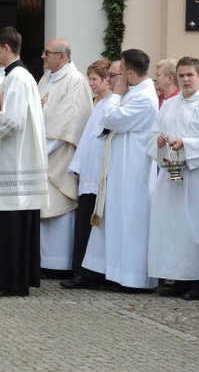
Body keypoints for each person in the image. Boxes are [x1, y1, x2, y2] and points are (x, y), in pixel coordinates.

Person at [0, 27, 48, 297]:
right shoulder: (19, 77)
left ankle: (10, 282)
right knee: (10, 223)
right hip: (14, 159)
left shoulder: (17, 78)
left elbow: (12, 121)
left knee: (9, 224)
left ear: (7, 48)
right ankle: (10, 280)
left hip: (13, 162)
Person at [148, 56, 199, 300]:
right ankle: (179, 278)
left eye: (190, 75)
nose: (185, 80)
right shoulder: (170, 104)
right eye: (181, 75)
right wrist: (159, 142)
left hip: (196, 174)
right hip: (171, 174)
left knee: (195, 228)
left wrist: (185, 145)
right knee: (173, 228)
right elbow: (153, 135)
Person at [82, 49, 158, 291]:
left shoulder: (144, 97)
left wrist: (115, 96)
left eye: (120, 73)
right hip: (121, 167)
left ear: (130, 73)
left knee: (130, 222)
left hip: (133, 170)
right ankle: (110, 273)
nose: (116, 79)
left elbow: (112, 119)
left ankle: (132, 278)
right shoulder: (135, 92)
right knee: (115, 220)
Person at [38, 38, 92, 274]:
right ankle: (43, 262)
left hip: (60, 155)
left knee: (60, 209)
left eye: (47, 53)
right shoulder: (46, 78)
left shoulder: (75, 81)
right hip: (41, 153)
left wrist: (42, 152)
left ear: (62, 56)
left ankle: (60, 263)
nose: (43, 56)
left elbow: (70, 123)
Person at [62, 59, 115, 290]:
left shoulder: (112, 104)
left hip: (98, 175)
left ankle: (88, 273)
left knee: (91, 224)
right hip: (88, 173)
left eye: (94, 79)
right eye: (90, 79)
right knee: (83, 221)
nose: (91, 83)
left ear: (107, 80)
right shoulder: (98, 103)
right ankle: (81, 270)